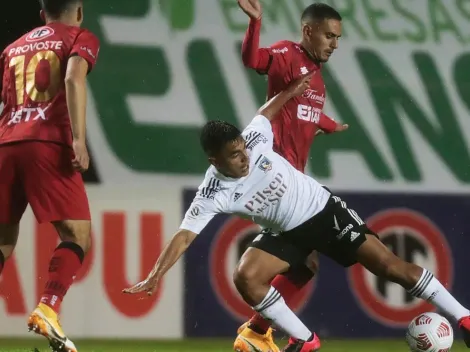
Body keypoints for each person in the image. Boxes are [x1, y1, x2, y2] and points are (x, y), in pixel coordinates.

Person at [123, 73, 470, 352]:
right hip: (286, 232)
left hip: (322, 211)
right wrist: (155, 275)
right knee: (246, 276)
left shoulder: (254, 139)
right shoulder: (212, 192)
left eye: (243, 150)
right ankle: (306, 341)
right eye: (234, 155)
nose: (244, 158)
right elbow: (184, 235)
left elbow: (265, 113)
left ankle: (464, 318)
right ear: (214, 161)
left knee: (389, 267)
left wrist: (291, 90)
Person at [235, 1, 348, 350]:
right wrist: (255, 24)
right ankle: (268, 332)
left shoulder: (316, 75)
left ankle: (257, 330)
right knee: (305, 259)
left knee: (307, 263)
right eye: (329, 35)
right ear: (308, 30)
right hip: (277, 179)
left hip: (291, 181)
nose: (334, 44)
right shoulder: (287, 53)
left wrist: (327, 124)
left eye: (338, 38)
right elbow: (254, 61)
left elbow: (305, 111)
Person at [0, 0, 99, 351]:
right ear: (80, 10)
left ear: (42, 14)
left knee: (3, 243)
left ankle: (47, 310)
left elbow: (7, 101)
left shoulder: (12, 48)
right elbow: (73, 78)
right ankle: (48, 307)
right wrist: (77, 139)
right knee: (78, 234)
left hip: (6, 143)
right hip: (46, 143)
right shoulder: (79, 36)